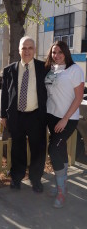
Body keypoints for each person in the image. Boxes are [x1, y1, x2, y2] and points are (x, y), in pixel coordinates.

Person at [1, 36, 47, 192]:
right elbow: (5, 95)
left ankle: (36, 180)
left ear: (34, 50)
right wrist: (3, 115)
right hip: (16, 116)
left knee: (38, 150)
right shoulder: (9, 70)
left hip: (36, 116)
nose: (27, 51)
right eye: (24, 48)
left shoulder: (44, 68)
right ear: (19, 50)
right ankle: (16, 177)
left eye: (30, 48)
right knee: (17, 149)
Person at [45, 40, 84, 208]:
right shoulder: (50, 69)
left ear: (66, 53)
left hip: (67, 119)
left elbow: (79, 97)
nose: (57, 55)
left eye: (60, 52)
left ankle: (61, 190)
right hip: (51, 116)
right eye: (54, 52)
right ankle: (63, 185)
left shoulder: (75, 70)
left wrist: (65, 118)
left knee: (53, 149)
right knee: (59, 149)